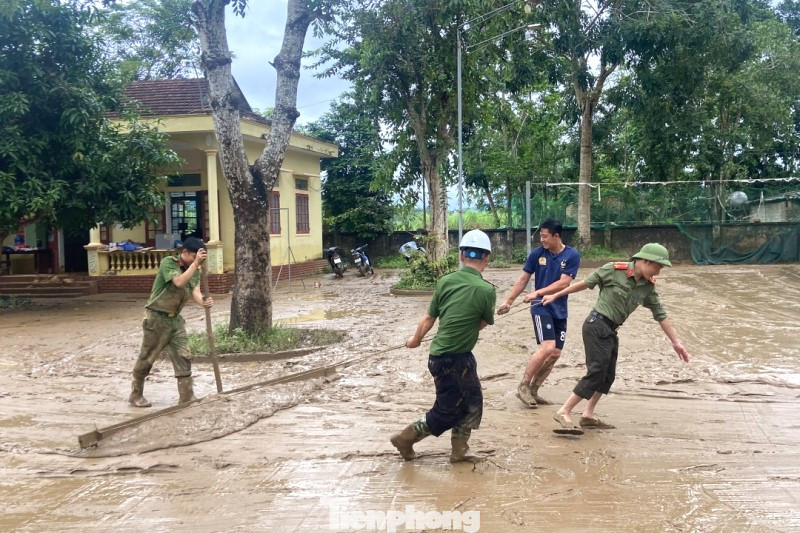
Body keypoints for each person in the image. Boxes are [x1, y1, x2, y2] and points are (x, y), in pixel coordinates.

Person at [541, 243, 690, 435]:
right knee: (596, 371)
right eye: (657, 267)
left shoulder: (647, 287)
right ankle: (564, 411)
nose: (658, 273)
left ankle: (587, 415)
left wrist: (676, 342)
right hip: (596, 325)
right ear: (644, 261)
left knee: (608, 375)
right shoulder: (613, 269)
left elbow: (660, 314)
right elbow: (584, 284)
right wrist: (555, 295)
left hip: (611, 330)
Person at [390, 230, 496, 463]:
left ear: (461, 255)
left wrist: (415, 340)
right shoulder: (487, 290)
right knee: (447, 411)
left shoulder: (445, 281)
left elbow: (429, 318)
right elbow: (482, 323)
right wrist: (466, 330)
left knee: (472, 401)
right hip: (454, 360)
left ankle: (460, 450)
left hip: (445, 357)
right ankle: (405, 438)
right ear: (487, 258)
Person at [497, 219, 581, 408]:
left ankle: (534, 389)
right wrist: (509, 301)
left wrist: (538, 292)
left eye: (544, 236)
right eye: (540, 236)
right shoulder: (537, 254)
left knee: (555, 354)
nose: (541, 240)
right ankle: (524, 385)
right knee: (548, 347)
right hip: (540, 307)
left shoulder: (572, 255)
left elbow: (564, 283)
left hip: (559, 309)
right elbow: (523, 279)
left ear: (556, 236)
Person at [128, 236, 214, 408]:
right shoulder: (169, 263)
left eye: (199, 257)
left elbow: (194, 290)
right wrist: (195, 264)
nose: (196, 260)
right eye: (194, 256)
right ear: (185, 253)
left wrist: (203, 301)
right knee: (147, 358)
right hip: (156, 318)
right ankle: (135, 394)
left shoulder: (195, 270)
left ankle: (187, 397)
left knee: (184, 355)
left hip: (176, 320)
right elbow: (179, 282)